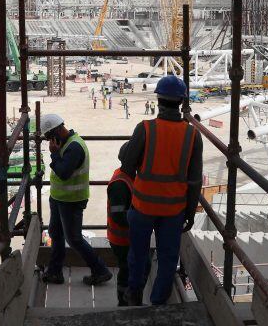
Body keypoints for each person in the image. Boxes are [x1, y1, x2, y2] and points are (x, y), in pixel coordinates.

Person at [120, 76, 203, 306]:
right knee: (168, 258)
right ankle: (158, 302)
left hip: (143, 207)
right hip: (174, 210)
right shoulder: (193, 135)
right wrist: (190, 212)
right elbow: (195, 181)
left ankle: (134, 293)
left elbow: (127, 166)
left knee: (137, 253)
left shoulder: (145, 129)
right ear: (181, 101)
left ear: (158, 100)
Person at [39, 114, 112, 286]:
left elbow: (64, 173)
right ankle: (55, 272)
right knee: (55, 234)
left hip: (71, 201)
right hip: (59, 198)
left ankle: (100, 270)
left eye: (49, 136)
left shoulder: (74, 147)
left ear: (57, 130)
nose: (49, 141)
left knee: (74, 239)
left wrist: (54, 155)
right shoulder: (65, 143)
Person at [108, 142, 150, 306]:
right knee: (130, 269)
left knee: (134, 268)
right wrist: (142, 220)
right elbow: (118, 216)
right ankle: (126, 302)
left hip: (129, 236)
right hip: (123, 239)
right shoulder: (120, 184)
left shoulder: (130, 176)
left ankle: (128, 300)